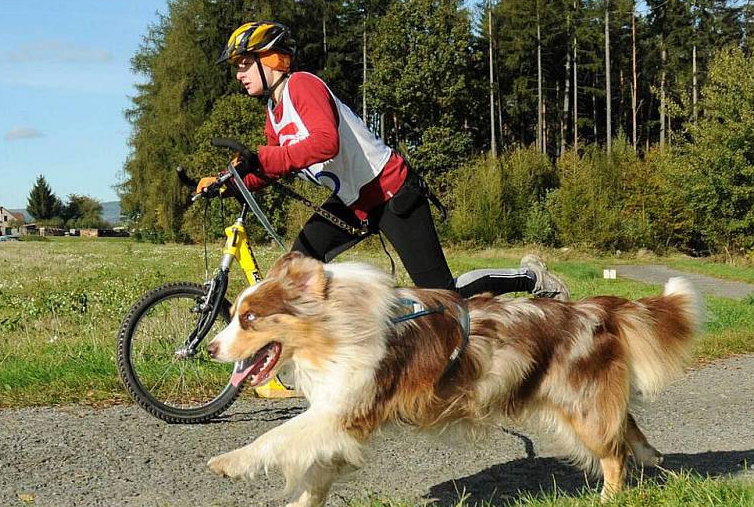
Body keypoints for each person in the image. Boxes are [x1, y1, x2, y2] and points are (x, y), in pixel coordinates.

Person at [198, 20, 569, 300]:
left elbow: (323, 143)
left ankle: (530, 278)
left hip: (393, 195)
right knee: (298, 265)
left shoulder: (302, 86)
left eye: (244, 63)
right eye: (237, 66)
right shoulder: (274, 112)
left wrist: (262, 157)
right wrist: (226, 184)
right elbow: (272, 166)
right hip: (354, 204)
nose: (239, 74)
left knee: (443, 296)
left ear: (271, 60)